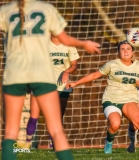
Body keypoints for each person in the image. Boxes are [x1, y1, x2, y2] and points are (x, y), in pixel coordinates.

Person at [0, 0, 100, 160]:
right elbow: (66, 39)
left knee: (10, 131)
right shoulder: (46, 9)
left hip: (14, 74)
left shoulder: (5, 10)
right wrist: (84, 43)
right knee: (56, 129)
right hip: (42, 75)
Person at [66, 40, 139, 154]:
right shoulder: (112, 64)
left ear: (132, 52)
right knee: (115, 124)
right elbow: (95, 75)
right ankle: (109, 142)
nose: (125, 51)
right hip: (111, 99)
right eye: (122, 49)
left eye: (128, 49)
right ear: (118, 52)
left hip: (129, 100)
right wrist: (76, 83)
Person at [26, 35, 80, 149]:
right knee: (34, 116)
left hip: (61, 87)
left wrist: (66, 71)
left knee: (56, 118)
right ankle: (27, 141)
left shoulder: (69, 44)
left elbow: (74, 65)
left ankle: (53, 144)